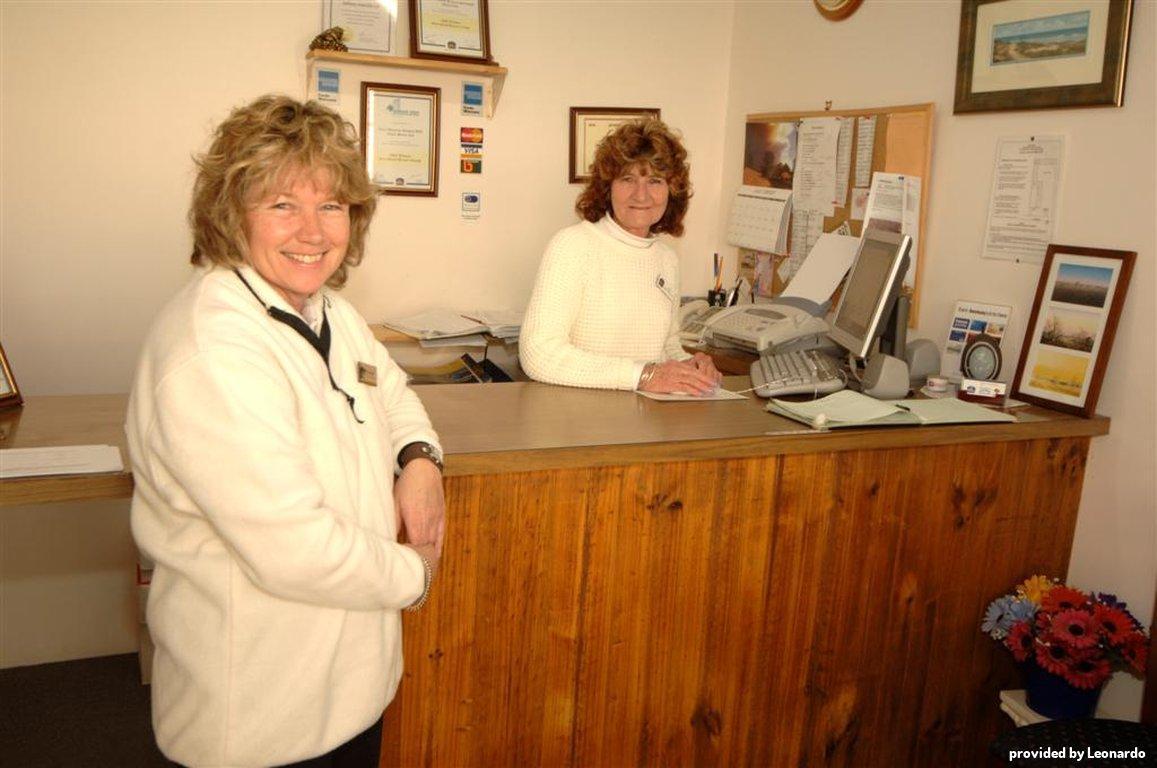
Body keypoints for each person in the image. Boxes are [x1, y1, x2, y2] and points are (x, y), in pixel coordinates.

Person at [125, 95, 445, 768]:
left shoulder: (327, 311)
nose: (313, 230)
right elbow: (294, 548)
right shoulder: (212, 352)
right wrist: (413, 574)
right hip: (261, 721)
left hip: (349, 690)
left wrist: (418, 460)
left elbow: (392, 392)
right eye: (281, 205)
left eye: (331, 205)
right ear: (229, 213)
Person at [519, 118, 722, 394]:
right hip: (577, 423)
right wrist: (644, 375)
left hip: (645, 419)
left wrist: (692, 365)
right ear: (607, 187)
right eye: (628, 179)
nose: (642, 195)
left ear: (671, 191)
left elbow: (666, 346)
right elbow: (537, 354)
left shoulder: (666, 259)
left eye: (655, 181)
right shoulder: (573, 246)